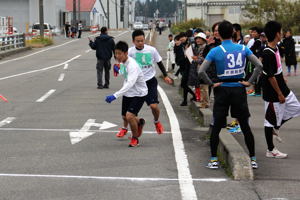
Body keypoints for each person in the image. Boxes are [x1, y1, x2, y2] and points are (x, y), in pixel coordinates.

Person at [198, 20, 263, 169]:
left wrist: (211, 83)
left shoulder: (215, 50)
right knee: (244, 124)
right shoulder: (243, 48)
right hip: (239, 88)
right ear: (233, 32)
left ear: (219, 33)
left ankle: (214, 160)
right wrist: (249, 82)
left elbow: (201, 71)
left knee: (217, 125)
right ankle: (253, 159)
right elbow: (259, 65)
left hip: (222, 88)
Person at [115, 30, 173, 138]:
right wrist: (119, 68)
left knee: (153, 106)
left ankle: (156, 122)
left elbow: (159, 62)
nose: (140, 43)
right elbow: (123, 63)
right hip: (135, 84)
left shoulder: (151, 50)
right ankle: (127, 127)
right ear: (133, 41)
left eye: (142, 41)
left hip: (150, 81)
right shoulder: (130, 52)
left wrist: (165, 75)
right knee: (127, 113)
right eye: (138, 41)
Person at [261, 21, 300, 158]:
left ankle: (276, 127)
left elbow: (277, 70)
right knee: (269, 121)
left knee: (296, 107)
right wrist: (279, 93)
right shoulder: (267, 53)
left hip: (282, 86)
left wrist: (282, 78)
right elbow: (270, 77)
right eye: (281, 31)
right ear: (277, 33)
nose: (282, 33)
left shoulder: (276, 48)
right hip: (273, 92)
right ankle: (270, 150)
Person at [105, 41, 148, 147]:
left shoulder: (132, 65)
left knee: (129, 116)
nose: (117, 56)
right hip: (128, 93)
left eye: (119, 53)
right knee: (124, 117)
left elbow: (130, 83)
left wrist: (115, 95)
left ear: (126, 53)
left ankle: (135, 138)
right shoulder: (123, 62)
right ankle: (139, 122)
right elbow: (123, 73)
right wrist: (118, 70)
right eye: (116, 53)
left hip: (139, 93)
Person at [189, 32, 210, 107]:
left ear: (203, 39)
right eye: (196, 39)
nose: (197, 40)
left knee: (204, 87)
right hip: (199, 69)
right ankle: (203, 102)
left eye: (199, 39)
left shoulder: (206, 47)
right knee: (201, 86)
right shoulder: (199, 47)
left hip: (205, 70)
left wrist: (196, 58)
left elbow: (205, 60)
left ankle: (205, 103)